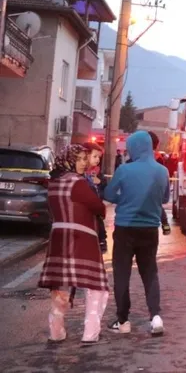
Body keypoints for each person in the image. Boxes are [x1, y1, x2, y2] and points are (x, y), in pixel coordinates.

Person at [39, 145, 109, 345]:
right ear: (68, 160)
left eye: (84, 159)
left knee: (60, 286)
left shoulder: (54, 183)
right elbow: (98, 207)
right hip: (81, 237)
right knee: (96, 286)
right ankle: (90, 333)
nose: (83, 163)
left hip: (59, 238)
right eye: (78, 159)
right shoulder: (78, 183)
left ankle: (56, 331)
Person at [103, 131, 170, 335]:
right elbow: (165, 199)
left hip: (125, 228)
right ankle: (155, 317)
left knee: (122, 275)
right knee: (150, 273)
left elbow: (109, 195)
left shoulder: (124, 170)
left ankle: (123, 321)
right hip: (150, 229)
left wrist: (125, 198)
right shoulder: (163, 171)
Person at [82, 142, 109, 253]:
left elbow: (105, 190)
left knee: (98, 223)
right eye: (95, 156)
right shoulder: (80, 172)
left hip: (95, 207)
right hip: (82, 209)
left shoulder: (98, 173)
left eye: (99, 157)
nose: (97, 159)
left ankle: (102, 240)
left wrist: (100, 183)